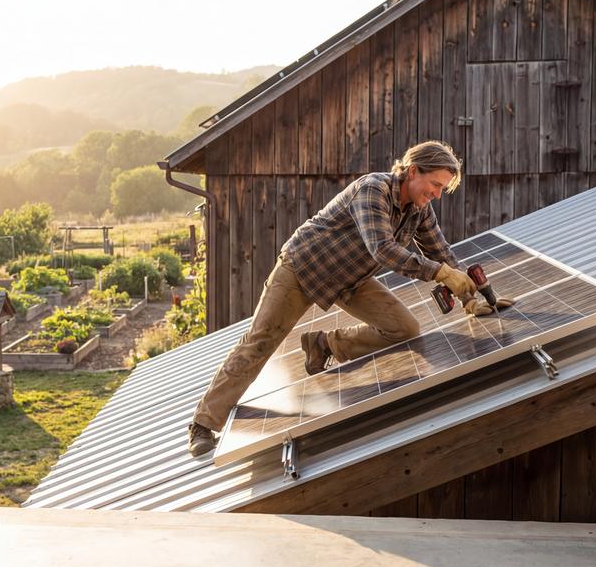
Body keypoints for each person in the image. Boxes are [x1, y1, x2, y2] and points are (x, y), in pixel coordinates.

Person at [187, 140, 513, 457]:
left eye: (443, 188)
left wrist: (472, 295)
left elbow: (440, 251)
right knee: (259, 342)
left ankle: (325, 345)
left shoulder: (419, 210)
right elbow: (382, 250)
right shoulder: (373, 189)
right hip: (304, 268)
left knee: (404, 329)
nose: (437, 194)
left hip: (350, 277)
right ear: (413, 171)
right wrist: (440, 274)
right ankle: (202, 424)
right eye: (435, 184)